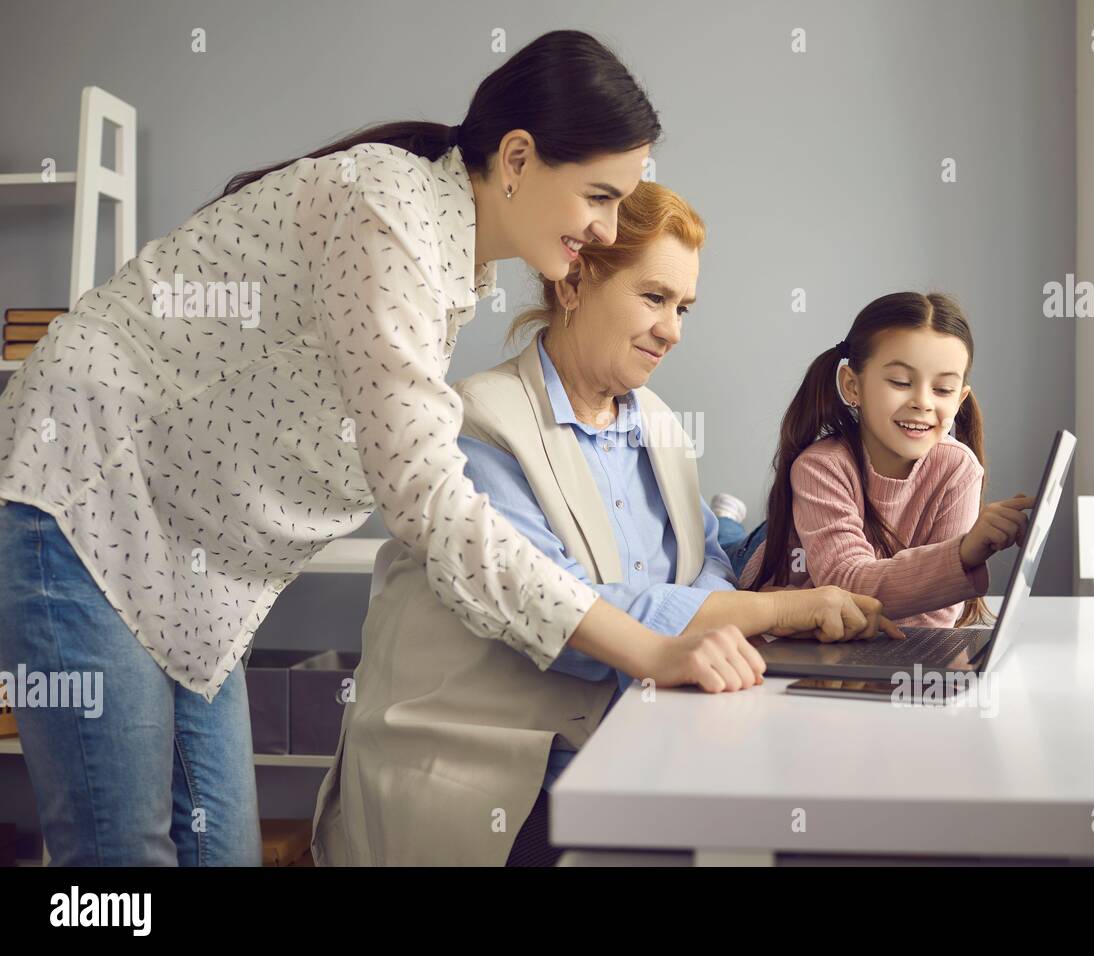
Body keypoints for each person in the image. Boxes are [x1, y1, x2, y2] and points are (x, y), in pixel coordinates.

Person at [0, 29, 761, 867]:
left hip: (195, 562)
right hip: (86, 484)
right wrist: (650, 649)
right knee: (119, 856)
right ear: (516, 158)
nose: (608, 227)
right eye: (599, 196)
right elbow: (429, 501)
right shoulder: (386, 209)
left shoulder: (451, 269)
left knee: (221, 852)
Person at [311, 181, 899, 867]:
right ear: (574, 282)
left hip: (624, 728)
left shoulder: (656, 422)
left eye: (683, 307)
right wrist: (773, 608)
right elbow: (567, 617)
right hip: (493, 760)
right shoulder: (477, 425)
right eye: (654, 298)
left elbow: (701, 560)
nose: (673, 329)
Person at [739, 292, 1033, 627]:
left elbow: (937, 618)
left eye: (943, 390)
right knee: (727, 543)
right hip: (774, 551)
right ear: (852, 386)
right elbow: (846, 583)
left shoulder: (959, 469)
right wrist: (961, 554)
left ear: (960, 399)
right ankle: (727, 517)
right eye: (901, 382)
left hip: (831, 558)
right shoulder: (820, 466)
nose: (922, 402)